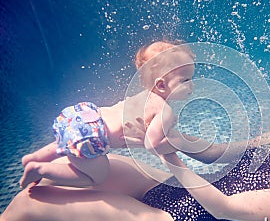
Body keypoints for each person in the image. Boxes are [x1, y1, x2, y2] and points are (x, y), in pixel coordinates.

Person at [0, 79, 270, 221]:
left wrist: (169, 156)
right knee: (49, 180)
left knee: (26, 203)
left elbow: (228, 210)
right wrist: (170, 137)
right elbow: (217, 154)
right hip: (180, 195)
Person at [19, 40, 198, 189]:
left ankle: (34, 157)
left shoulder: (144, 95)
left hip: (84, 116)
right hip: (93, 137)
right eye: (186, 80)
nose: (192, 85)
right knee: (96, 178)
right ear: (160, 85)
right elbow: (152, 144)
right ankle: (40, 169)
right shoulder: (164, 109)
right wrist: (177, 142)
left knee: (66, 141)